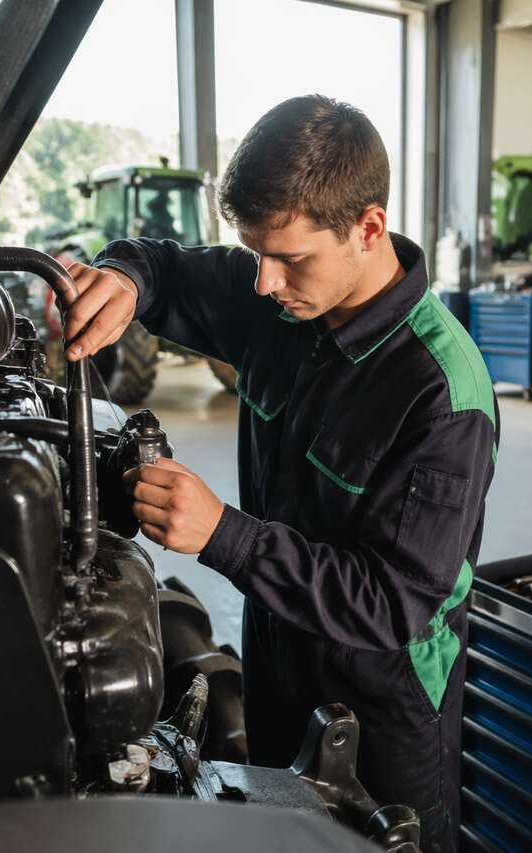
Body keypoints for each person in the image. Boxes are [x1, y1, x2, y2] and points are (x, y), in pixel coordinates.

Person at [60, 95, 498, 853]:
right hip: (277, 666)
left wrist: (224, 535)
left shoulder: (441, 392)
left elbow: (392, 604)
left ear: (367, 227)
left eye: (290, 258)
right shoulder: (280, 300)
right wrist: (124, 279)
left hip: (383, 711)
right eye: (255, 253)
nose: (263, 281)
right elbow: (164, 266)